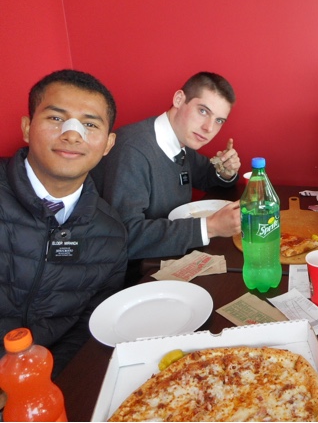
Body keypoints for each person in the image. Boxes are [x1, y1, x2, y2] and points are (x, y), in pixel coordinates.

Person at [0, 69, 127, 378]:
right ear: (27, 127)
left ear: (108, 143)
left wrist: (47, 381)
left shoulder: (111, 234)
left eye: (89, 124)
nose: (72, 134)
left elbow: (90, 324)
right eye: (56, 118)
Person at [91, 71, 241, 282]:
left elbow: (206, 176)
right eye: (203, 111)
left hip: (166, 258)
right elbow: (125, 235)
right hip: (127, 277)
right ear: (179, 99)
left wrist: (225, 172)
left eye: (219, 120)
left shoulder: (180, 141)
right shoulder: (133, 151)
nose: (209, 128)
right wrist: (211, 226)